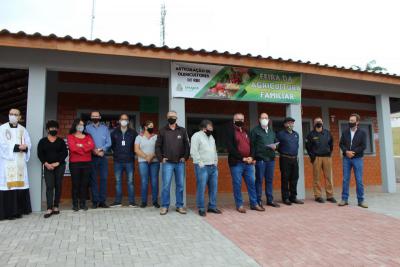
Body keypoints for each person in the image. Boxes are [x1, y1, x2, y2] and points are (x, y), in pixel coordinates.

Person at [226, 113, 264, 213]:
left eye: (242, 119)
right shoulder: (230, 131)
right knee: (237, 184)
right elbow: (231, 148)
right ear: (234, 120)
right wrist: (242, 158)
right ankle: (239, 205)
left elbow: (252, 146)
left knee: (251, 183)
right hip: (237, 163)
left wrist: (252, 156)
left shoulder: (247, 131)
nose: (240, 121)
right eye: (238, 119)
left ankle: (254, 204)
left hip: (249, 163)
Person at [155, 111, 190, 215]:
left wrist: (185, 157)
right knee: (166, 185)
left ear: (176, 117)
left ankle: (179, 206)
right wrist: (161, 159)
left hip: (180, 163)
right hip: (168, 163)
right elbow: (157, 146)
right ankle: (165, 206)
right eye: (170, 116)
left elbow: (187, 146)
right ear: (167, 118)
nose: (172, 118)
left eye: (173, 116)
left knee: (180, 185)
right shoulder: (162, 131)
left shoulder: (182, 131)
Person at [0, 108, 32, 220]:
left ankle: (18, 211)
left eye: (15, 114)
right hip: (7, 162)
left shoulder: (23, 129)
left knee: (19, 186)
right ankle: (7, 213)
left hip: (19, 162)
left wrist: (26, 147)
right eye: (11, 114)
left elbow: (28, 143)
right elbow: (1, 145)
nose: (13, 116)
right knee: (8, 187)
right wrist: (16, 147)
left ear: (19, 117)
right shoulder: (2, 128)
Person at [37, 120, 68, 218]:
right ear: (47, 129)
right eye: (51, 128)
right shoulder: (42, 141)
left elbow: (64, 153)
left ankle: (56, 206)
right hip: (47, 166)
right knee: (49, 186)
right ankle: (49, 208)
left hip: (60, 166)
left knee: (58, 185)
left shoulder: (61, 141)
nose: (53, 129)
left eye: (55, 128)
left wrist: (57, 163)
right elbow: (40, 154)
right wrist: (46, 164)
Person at [190, 120, 221, 217]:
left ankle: (212, 206)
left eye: (212, 128)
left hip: (213, 167)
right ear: (204, 128)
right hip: (202, 167)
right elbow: (194, 151)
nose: (211, 129)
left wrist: (216, 162)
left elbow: (214, 151)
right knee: (201, 188)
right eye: (210, 128)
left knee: (214, 188)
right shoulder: (196, 136)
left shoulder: (211, 137)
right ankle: (201, 208)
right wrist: (200, 163)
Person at [250, 113, 280, 208]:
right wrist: (253, 158)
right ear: (259, 119)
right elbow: (252, 145)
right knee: (259, 180)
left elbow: (276, 141)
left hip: (271, 159)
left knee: (269, 180)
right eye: (262, 118)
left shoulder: (271, 131)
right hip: (260, 159)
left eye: (266, 118)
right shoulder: (255, 131)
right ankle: (258, 201)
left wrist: (276, 146)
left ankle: (270, 200)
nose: (264, 119)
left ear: (269, 119)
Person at [339, 113, 368, 208]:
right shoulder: (345, 132)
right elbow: (341, 144)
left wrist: (353, 152)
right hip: (346, 159)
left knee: (359, 180)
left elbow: (363, 146)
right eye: (349, 120)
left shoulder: (362, 133)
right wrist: (346, 151)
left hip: (357, 159)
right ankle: (344, 199)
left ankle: (361, 200)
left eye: (352, 121)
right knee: (345, 179)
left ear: (357, 122)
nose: (350, 122)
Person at [305, 117, 336, 204]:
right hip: (317, 158)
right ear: (314, 124)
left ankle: (330, 196)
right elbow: (308, 147)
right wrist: (313, 157)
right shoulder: (311, 134)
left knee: (329, 177)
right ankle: (318, 196)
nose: (318, 123)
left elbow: (331, 144)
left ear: (322, 122)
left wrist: (329, 154)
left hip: (327, 157)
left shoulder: (327, 133)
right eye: (316, 122)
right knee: (316, 178)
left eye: (320, 121)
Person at [110, 114, 138, 207]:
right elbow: (112, 146)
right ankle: (118, 202)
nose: (124, 121)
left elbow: (136, 145)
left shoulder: (133, 133)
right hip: (118, 161)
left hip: (129, 161)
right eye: (122, 119)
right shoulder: (114, 132)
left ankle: (132, 202)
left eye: (126, 119)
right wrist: (117, 153)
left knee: (130, 182)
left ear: (128, 121)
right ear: (119, 120)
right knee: (118, 182)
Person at [67, 119, 95, 211]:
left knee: (84, 184)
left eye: (83, 125)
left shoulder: (88, 136)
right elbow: (73, 148)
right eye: (79, 124)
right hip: (75, 163)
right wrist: (84, 146)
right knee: (76, 184)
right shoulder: (70, 136)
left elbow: (91, 146)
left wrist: (80, 146)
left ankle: (83, 204)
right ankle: (75, 204)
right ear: (75, 125)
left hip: (87, 163)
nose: (81, 126)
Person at [86, 111, 111, 208]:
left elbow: (109, 143)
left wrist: (101, 150)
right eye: (93, 116)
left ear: (100, 117)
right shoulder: (87, 128)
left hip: (103, 157)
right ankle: (95, 201)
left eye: (97, 116)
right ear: (91, 117)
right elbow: (86, 141)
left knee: (104, 179)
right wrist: (94, 151)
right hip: (92, 157)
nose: (95, 117)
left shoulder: (105, 128)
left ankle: (102, 201)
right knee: (94, 180)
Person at [276, 117, 304, 205]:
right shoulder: (280, 134)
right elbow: (277, 146)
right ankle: (285, 198)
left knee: (294, 178)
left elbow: (297, 146)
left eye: (292, 123)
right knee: (285, 178)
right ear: (285, 124)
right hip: (285, 159)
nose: (290, 124)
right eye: (288, 123)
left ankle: (293, 197)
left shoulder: (296, 134)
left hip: (294, 159)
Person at [135, 120, 160, 208]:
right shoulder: (139, 137)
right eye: (150, 126)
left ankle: (155, 202)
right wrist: (146, 157)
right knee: (144, 181)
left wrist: (152, 156)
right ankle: (144, 202)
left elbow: (159, 148)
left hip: (155, 162)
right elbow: (136, 149)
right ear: (145, 127)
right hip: (143, 162)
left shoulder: (156, 137)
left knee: (154, 182)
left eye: (153, 126)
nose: (152, 128)